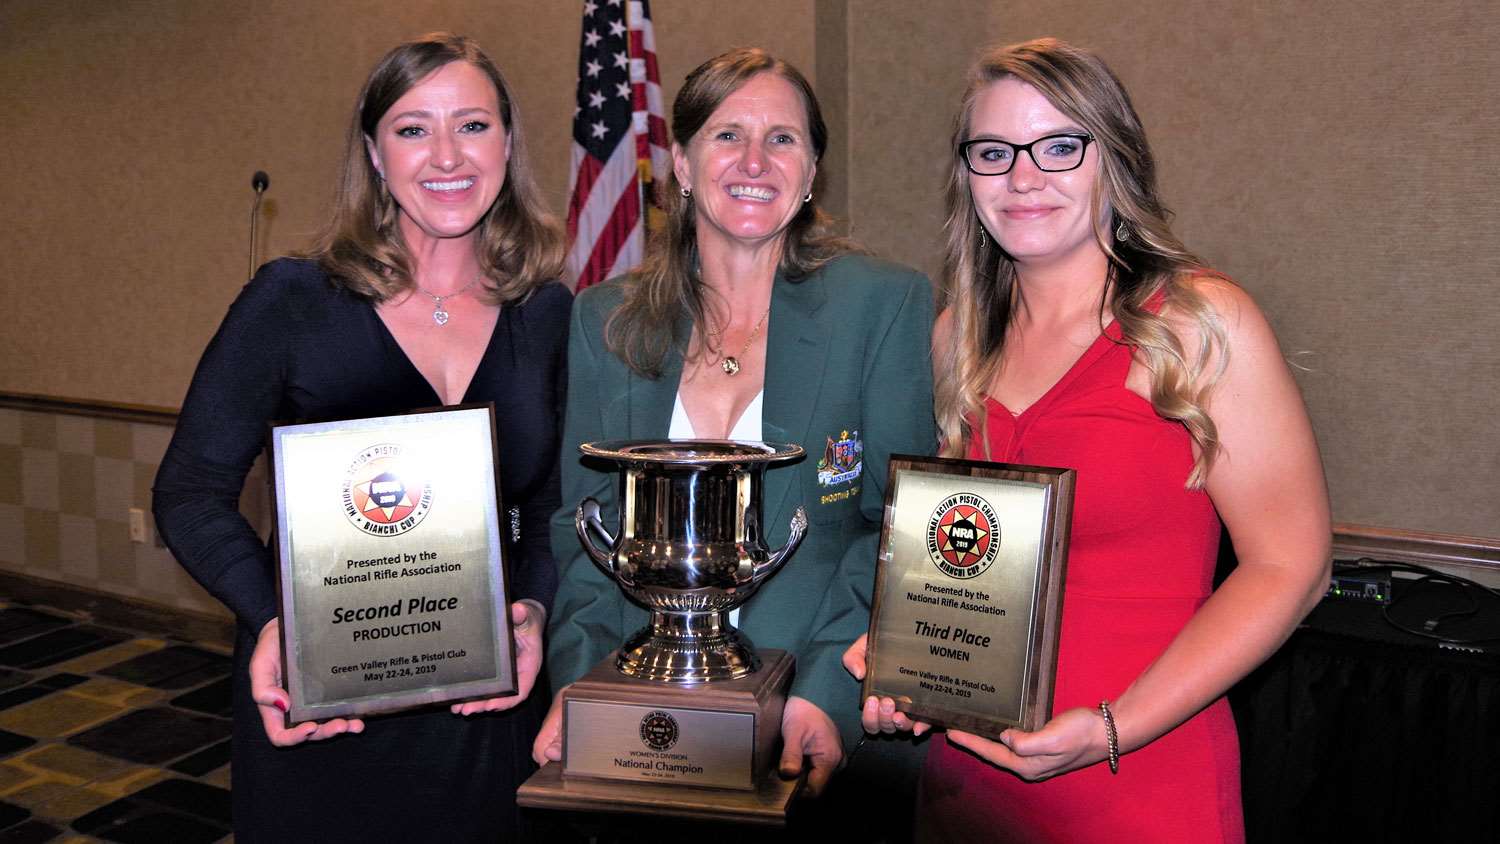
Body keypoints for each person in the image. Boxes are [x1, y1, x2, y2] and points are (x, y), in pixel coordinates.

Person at [843, 38, 1331, 842]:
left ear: (1116, 159)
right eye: (994, 152)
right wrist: (908, 652)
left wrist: (1115, 727)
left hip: (1138, 780)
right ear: (967, 176)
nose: (1024, 177)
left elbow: (1293, 567)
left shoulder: (1199, 325)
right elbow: (960, 555)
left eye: (1060, 147)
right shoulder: (953, 340)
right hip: (967, 789)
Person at [152, 33, 568, 842]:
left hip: (487, 703)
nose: (447, 154)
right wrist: (275, 622)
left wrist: (535, 611)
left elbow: (548, 504)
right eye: (413, 129)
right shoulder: (293, 300)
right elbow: (189, 495)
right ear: (375, 154)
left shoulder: (545, 312)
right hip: (324, 701)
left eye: (473, 126)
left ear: (508, 144)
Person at [533, 48, 935, 835]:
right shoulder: (604, 321)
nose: (755, 162)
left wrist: (826, 691)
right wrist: (580, 687)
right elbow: (580, 529)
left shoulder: (881, 305)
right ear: (681, 162)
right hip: (640, 726)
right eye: (728, 136)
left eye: (783, 140)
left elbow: (895, 527)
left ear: (813, 169)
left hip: (802, 724)